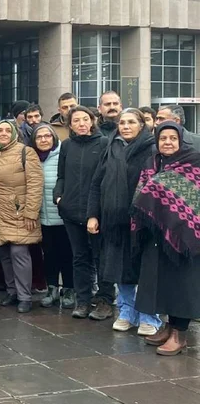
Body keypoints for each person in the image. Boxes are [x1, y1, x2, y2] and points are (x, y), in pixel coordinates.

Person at [87, 108, 160, 331]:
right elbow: (96, 184)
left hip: (145, 222)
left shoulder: (153, 150)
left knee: (146, 271)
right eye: (122, 122)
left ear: (142, 125)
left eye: (131, 122)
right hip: (113, 221)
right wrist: (93, 214)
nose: (126, 126)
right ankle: (127, 311)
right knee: (120, 268)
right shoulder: (111, 148)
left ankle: (149, 316)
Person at [133, 121, 200, 355]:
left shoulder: (193, 162)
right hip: (158, 236)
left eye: (173, 138)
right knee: (162, 283)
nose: (168, 142)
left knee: (182, 285)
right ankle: (169, 326)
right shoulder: (152, 163)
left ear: (181, 140)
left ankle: (180, 335)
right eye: (163, 138)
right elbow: (142, 193)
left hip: (185, 237)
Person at [54, 105, 112, 319]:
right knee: (79, 258)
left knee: (100, 257)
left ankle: (105, 301)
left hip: (96, 212)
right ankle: (83, 301)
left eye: (85, 119)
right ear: (70, 125)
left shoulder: (104, 143)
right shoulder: (67, 145)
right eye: (76, 120)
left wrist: (95, 213)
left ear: (92, 121)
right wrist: (58, 197)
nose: (81, 123)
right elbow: (61, 176)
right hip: (71, 211)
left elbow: (105, 180)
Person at [0, 120, 44, 313]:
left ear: (14, 133)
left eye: (7, 130)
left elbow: (35, 183)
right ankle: (12, 291)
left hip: (19, 212)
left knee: (19, 253)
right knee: (4, 253)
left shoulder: (25, 152)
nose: (3, 133)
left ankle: (24, 296)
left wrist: (31, 212)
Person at [29, 124, 74, 309]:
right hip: (42, 215)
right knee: (49, 254)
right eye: (39, 137)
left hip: (61, 214)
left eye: (48, 136)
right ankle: (52, 288)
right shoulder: (32, 158)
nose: (44, 140)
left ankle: (70, 288)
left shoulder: (62, 155)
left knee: (67, 254)